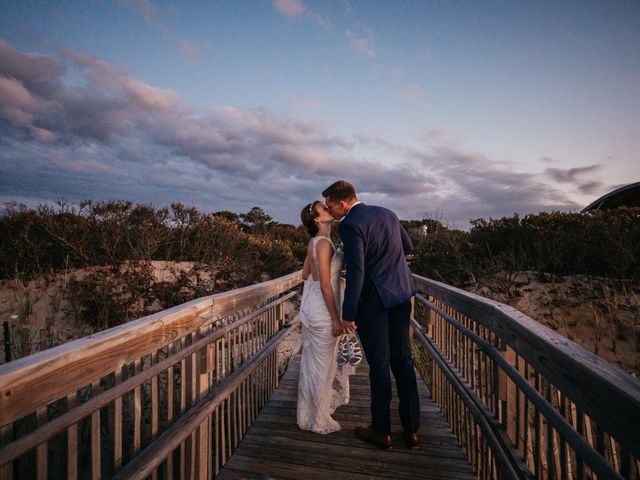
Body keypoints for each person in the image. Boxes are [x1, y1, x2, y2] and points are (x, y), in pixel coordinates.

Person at [322, 180, 420, 449]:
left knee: (379, 364)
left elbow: (357, 271)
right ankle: (412, 429)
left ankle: (382, 430)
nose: (330, 210)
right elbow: (407, 245)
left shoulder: (351, 225)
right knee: (403, 360)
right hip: (401, 295)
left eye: (331, 205)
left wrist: (348, 313)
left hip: (374, 302)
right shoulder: (388, 213)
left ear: (343, 202)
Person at [296, 200, 355, 434]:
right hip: (322, 311)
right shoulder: (323, 244)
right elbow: (325, 287)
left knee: (312, 364)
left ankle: (307, 413)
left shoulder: (315, 242)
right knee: (322, 367)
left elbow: (304, 274)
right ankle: (318, 418)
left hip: (311, 309)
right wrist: (335, 318)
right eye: (324, 209)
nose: (329, 210)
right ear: (318, 219)